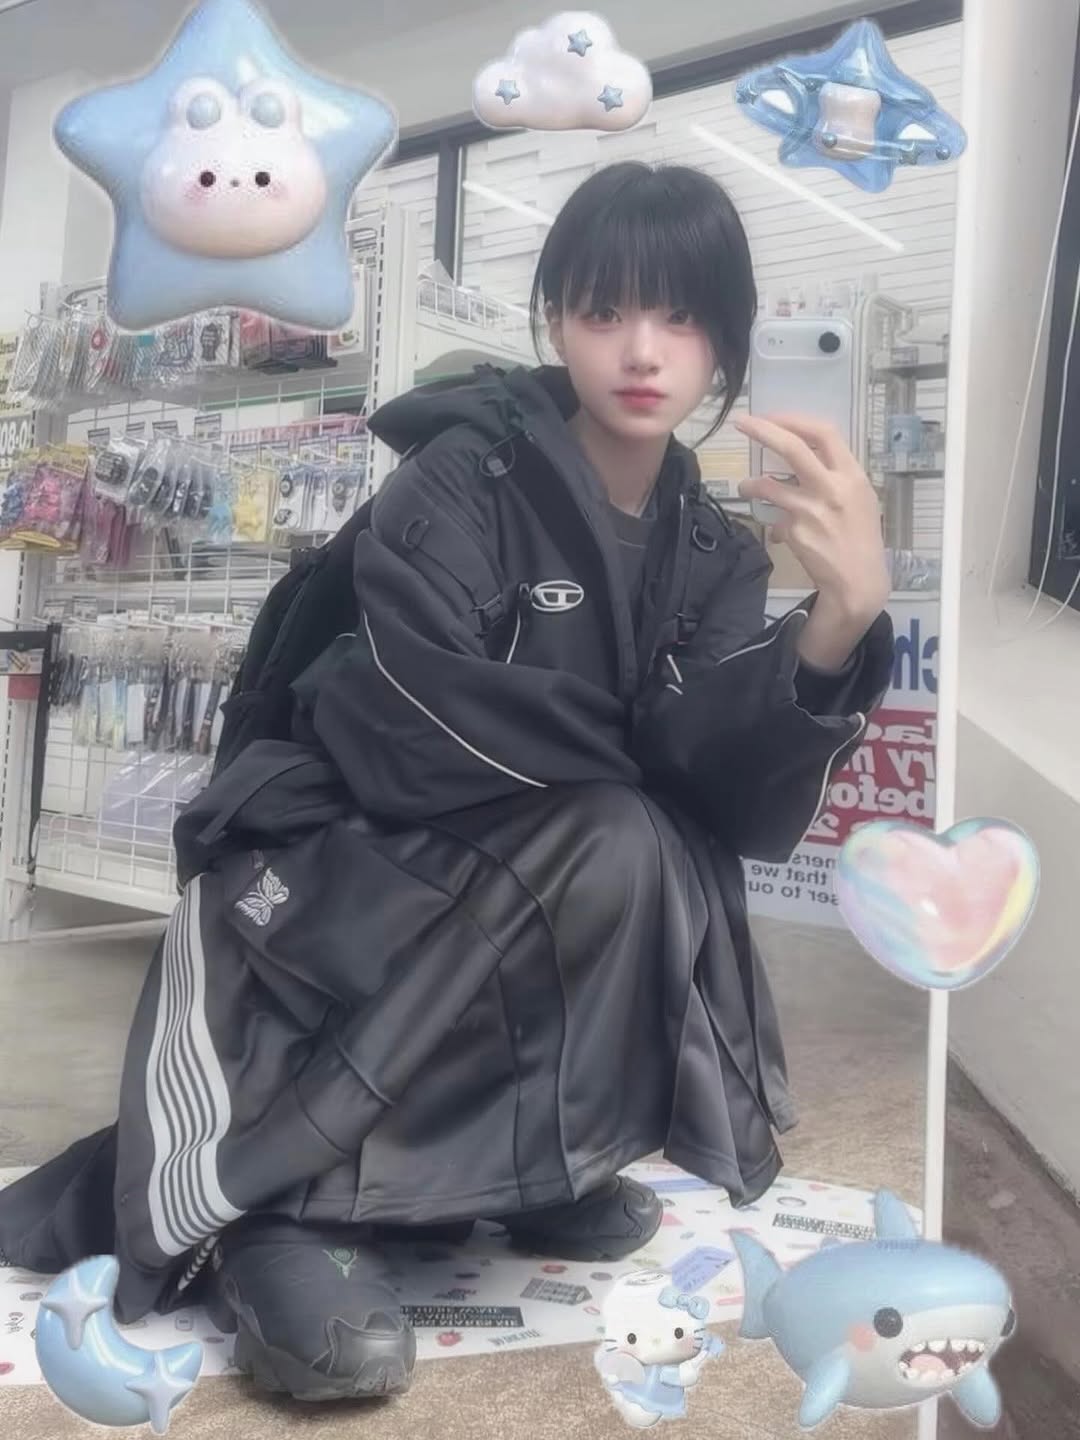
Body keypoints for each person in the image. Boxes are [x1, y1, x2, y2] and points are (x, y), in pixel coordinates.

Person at [0, 162, 894, 1404]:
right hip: (328, 860)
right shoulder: (461, 478)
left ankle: (517, 1164)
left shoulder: (710, 549)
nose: (642, 350)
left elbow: (724, 797)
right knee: (620, 830)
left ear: (728, 344)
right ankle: (284, 1210)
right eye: (604, 310)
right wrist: (658, 753)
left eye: (682, 316)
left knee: (658, 846)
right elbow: (414, 727)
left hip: (510, 869)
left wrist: (837, 626)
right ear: (556, 320)